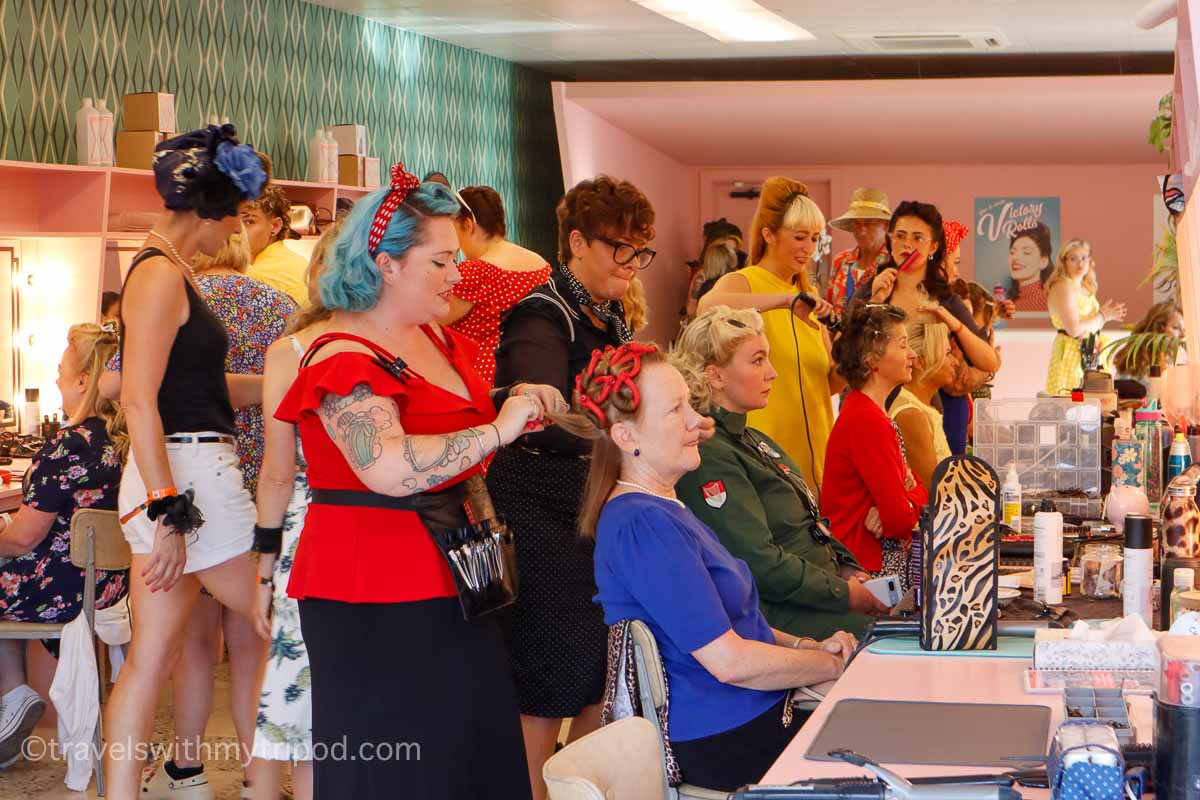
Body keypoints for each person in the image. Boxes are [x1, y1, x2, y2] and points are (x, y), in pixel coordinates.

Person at [274, 162, 556, 799]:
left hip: (459, 570)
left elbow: (454, 410)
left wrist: (515, 398)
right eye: (442, 261)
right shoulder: (342, 356)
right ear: (386, 263)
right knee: (405, 766)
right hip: (375, 585)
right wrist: (498, 430)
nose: (459, 275)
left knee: (469, 751)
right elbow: (389, 467)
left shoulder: (431, 334)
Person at [580, 342, 856, 792]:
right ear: (626, 437)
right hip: (728, 738)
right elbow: (728, 661)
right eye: (675, 410)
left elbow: (740, 628)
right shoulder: (644, 525)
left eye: (689, 403)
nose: (696, 421)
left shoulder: (661, 507)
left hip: (750, 717)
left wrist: (813, 647)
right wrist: (834, 668)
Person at [103, 125, 269, 798]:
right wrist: (169, 512)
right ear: (211, 206)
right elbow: (139, 402)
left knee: (150, 659)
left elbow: (188, 391)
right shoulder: (161, 275)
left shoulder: (167, 270)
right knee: (277, 619)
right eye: (236, 211)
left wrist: (283, 385)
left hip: (178, 474)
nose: (238, 226)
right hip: (187, 478)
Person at [489, 175, 656, 800]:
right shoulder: (540, 313)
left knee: (595, 675)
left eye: (643, 252)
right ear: (578, 242)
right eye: (622, 250)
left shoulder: (605, 314)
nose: (633, 266)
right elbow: (542, 414)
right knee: (548, 681)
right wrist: (624, 424)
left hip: (587, 509)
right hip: (538, 513)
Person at [127, 227, 294, 797]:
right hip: (221, 476)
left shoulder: (175, 288)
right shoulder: (280, 306)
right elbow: (146, 393)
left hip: (183, 472)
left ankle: (186, 771)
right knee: (262, 639)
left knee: (182, 649)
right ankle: (259, 779)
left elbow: (121, 387)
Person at [673, 307, 886, 639]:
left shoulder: (757, 442)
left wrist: (850, 569)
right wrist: (845, 593)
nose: (772, 373)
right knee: (896, 638)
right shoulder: (709, 455)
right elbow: (758, 563)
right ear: (715, 376)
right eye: (758, 361)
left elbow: (812, 524)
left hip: (818, 594)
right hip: (776, 616)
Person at [245, 218, 343, 800]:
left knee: (304, 706)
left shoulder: (294, 351)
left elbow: (278, 473)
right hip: (385, 527)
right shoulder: (400, 343)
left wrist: (263, 567)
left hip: (312, 528)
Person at [0, 324, 128, 764]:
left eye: (60, 371)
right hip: (108, 582)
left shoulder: (66, 446)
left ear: (81, 381)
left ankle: (13, 694)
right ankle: (13, 695)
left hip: (67, 585)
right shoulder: (118, 442)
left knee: (7, 562)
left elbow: (22, 538)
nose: (56, 380)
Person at [699, 177, 842, 490]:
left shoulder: (808, 293)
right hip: (765, 459)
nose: (809, 249)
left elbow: (826, 382)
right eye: (800, 237)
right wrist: (783, 301)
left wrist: (853, 358)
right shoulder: (746, 282)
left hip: (815, 459)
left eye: (815, 239)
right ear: (769, 234)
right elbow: (706, 306)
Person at [823, 304, 928, 578]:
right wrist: (912, 493)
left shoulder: (867, 412)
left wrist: (908, 492)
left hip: (870, 562)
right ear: (872, 359)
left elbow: (899, 507)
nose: (913, 355)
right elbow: (899, 520)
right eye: (903, 345)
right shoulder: (867, 419)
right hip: (869, 569)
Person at [860, 201, 1000, 375]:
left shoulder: (944, 299)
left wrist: (954, 324)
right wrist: (875, 301)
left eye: (917, 238)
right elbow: (845, 351)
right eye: (900, 236)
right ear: (890, 240)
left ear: (933, 247)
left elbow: (989, 362)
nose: (907, 244)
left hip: (925, 398)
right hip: (875, 396)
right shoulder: (872, 288)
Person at [440, 185, 551, 384]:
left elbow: (438, 319)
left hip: (485, 379)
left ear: (468, 225)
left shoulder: (475, 272)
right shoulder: (539, 263)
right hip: (532, 370)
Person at [1045, 239, 1127, 395]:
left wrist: (1105, 317)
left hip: (1091, 353)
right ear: (1064, 262)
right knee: (1071, 403)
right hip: (1071, 355)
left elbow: (1090, 325)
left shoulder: (1086, 287)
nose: (1080, 264)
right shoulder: (1063, 286)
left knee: (1095, 405)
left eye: (1084, 258)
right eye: (1073, 259)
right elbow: (1074, 330)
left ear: (1090, 261)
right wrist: (1103, 316)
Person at [889, 323, 957, 490]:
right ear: (920, 362)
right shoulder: (911, 415)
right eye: (948, 354)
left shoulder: (924, 409)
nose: (955, 362)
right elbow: (932, 491)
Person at [825, 187, 892, 314]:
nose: (861, 230)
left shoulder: (893, 262)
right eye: (857, 223)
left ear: (886, 225)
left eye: (868, 223)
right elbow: (829, 308)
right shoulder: (841, 260)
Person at [243, 185, 308, 304]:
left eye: (249, 222)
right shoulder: (300, 261)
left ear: (275, 226)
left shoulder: (257, 276)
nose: (238, 229)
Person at [1113, 301, 1186, 385]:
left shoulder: (1174, 357)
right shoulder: (1138, 364)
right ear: (1159, 329)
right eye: (1176, 328)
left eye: (1184, 329)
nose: (1183, 335)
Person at [1006, 222, 1054, 313]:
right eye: (1012, 252)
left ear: (1043, 261)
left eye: (1026, 252)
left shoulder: (1044, 303)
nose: (1016, 257)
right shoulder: (1013, 302)